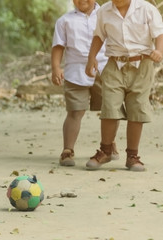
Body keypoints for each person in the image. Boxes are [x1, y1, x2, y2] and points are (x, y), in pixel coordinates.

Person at [85, 0, 163, 171]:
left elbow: (159, 34)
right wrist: (92, 58)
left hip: (142, 64)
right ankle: (106, 150)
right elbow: (99, 35)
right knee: (110, 106)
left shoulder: (147, 9)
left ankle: (132, 156)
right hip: (115, 64)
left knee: (137, 107)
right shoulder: (104, 11)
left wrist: (159, 50)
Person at [51, 0, 119, 167]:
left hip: (104, 69)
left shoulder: (108, 14)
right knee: (75, 111)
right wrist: (55, 67)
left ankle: (109, 144)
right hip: (75, 71)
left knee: (110, 109)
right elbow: (58, 46)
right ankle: (67, 150)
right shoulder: (64, 21)